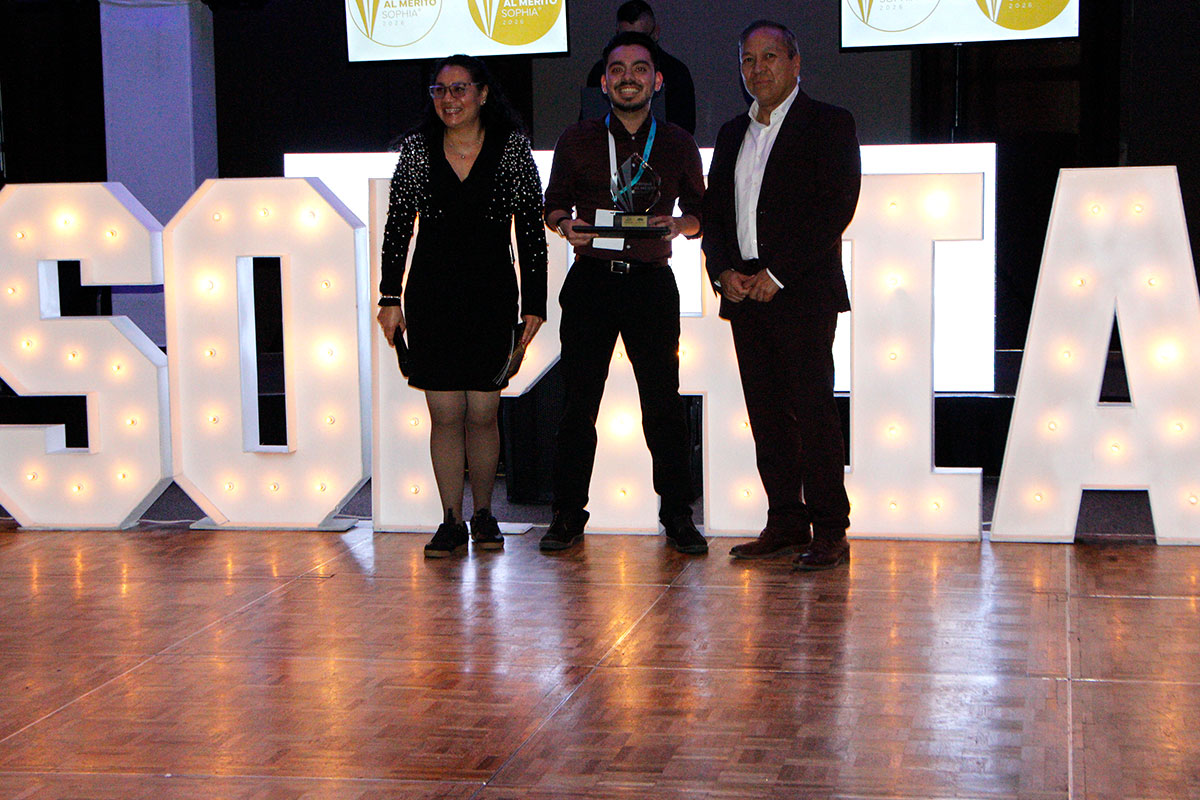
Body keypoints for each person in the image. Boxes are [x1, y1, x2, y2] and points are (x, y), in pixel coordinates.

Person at [701, 20, 861, 569]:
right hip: (744, 291)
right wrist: (722, 270)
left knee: (814, 415)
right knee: (766, 416)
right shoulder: (731, 133)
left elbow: (836, 205)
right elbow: (715, 214)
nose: (758, 68)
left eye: (770, 56)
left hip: (802, 291)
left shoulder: (830, 123)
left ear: (795, 63)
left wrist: (779, 273)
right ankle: (786, 522)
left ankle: (830, 530)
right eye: (748, 60)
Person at [541, 31, 707, 555]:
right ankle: (567, 514)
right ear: (604, 81)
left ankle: (678, 515)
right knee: (577, 405)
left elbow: (703, 213)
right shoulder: (576, 139)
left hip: (651, 285)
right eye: (617, 69)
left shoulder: (678, 142)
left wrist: (681, 225)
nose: (628, 78)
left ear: (656, 81)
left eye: (639, 69)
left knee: (663, 406)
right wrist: (564, 224)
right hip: (590, 282)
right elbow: (553, 204)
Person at [377, 54, 547, 558]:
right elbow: (397, 226)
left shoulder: (511, 148)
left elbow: (531, 231)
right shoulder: (417, 150)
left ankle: (485, 515)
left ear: (483, 93)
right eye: (440, 90)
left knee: (484, 412)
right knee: (445, 413)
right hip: (432, 296)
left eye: (459, 89)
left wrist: (535, 302)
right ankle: (451, 520)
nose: (449, 99)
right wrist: (389, 296)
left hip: (493, 294)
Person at [583, 1, 696, 134]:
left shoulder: (677, 73)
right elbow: (588, 124)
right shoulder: (600, 70)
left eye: (641, 39)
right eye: (626, 38)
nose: (628, 77)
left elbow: (684, 129)